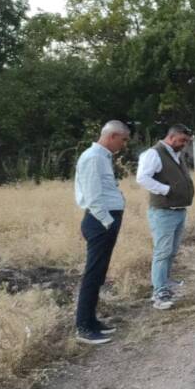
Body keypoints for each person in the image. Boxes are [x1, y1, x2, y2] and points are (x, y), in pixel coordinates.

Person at [73, 120, 130, 345]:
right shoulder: (93, 157)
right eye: (123, 140)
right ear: (112, 136)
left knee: (99, 274)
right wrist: (107, 222)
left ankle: (92, 321)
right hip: (99, 221)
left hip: (104, 220)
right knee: (93, 274)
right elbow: (93, 196)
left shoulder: (102, 157)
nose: (124, 145)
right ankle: (83, 327)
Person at [136, 124, 195, 311]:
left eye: (187, 141)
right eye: (182, 140)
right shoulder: (154, 154)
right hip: (163, 212)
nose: (184, 144)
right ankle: (159, 293)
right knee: (162, 253)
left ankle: (165, 282)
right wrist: (166, 190)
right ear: (172, 137)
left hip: (178, 210)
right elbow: (142, 177)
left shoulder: (175, 154)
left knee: (171, 251)